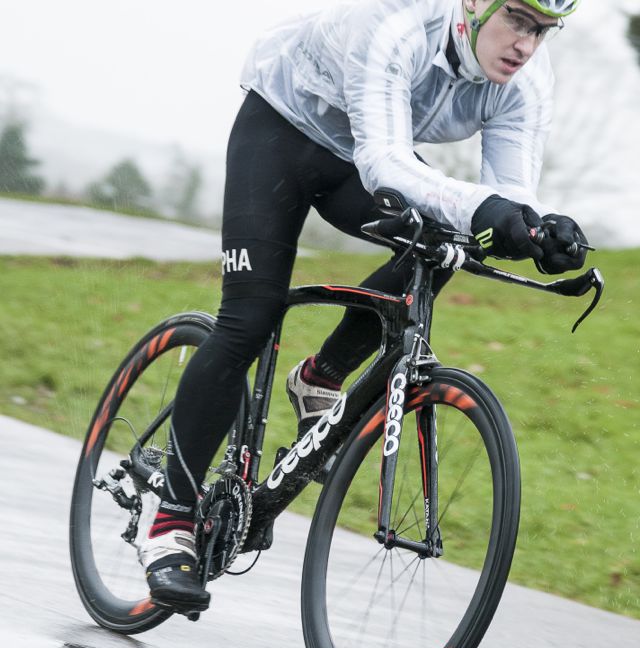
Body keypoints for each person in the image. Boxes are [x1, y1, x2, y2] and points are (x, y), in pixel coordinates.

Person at [140, 0, 588, 613]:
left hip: (356, 157)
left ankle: (321, 376)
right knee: (249, 318)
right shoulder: (398, 21)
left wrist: (536, 233)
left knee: (448, 243)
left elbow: (508, 193)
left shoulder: (526, 82)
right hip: (282, 130)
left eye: (542, 30)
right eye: (517, 19)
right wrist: (487, 211)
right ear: (475, 4)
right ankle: (171, 523)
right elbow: (385, 163)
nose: (526, 45)